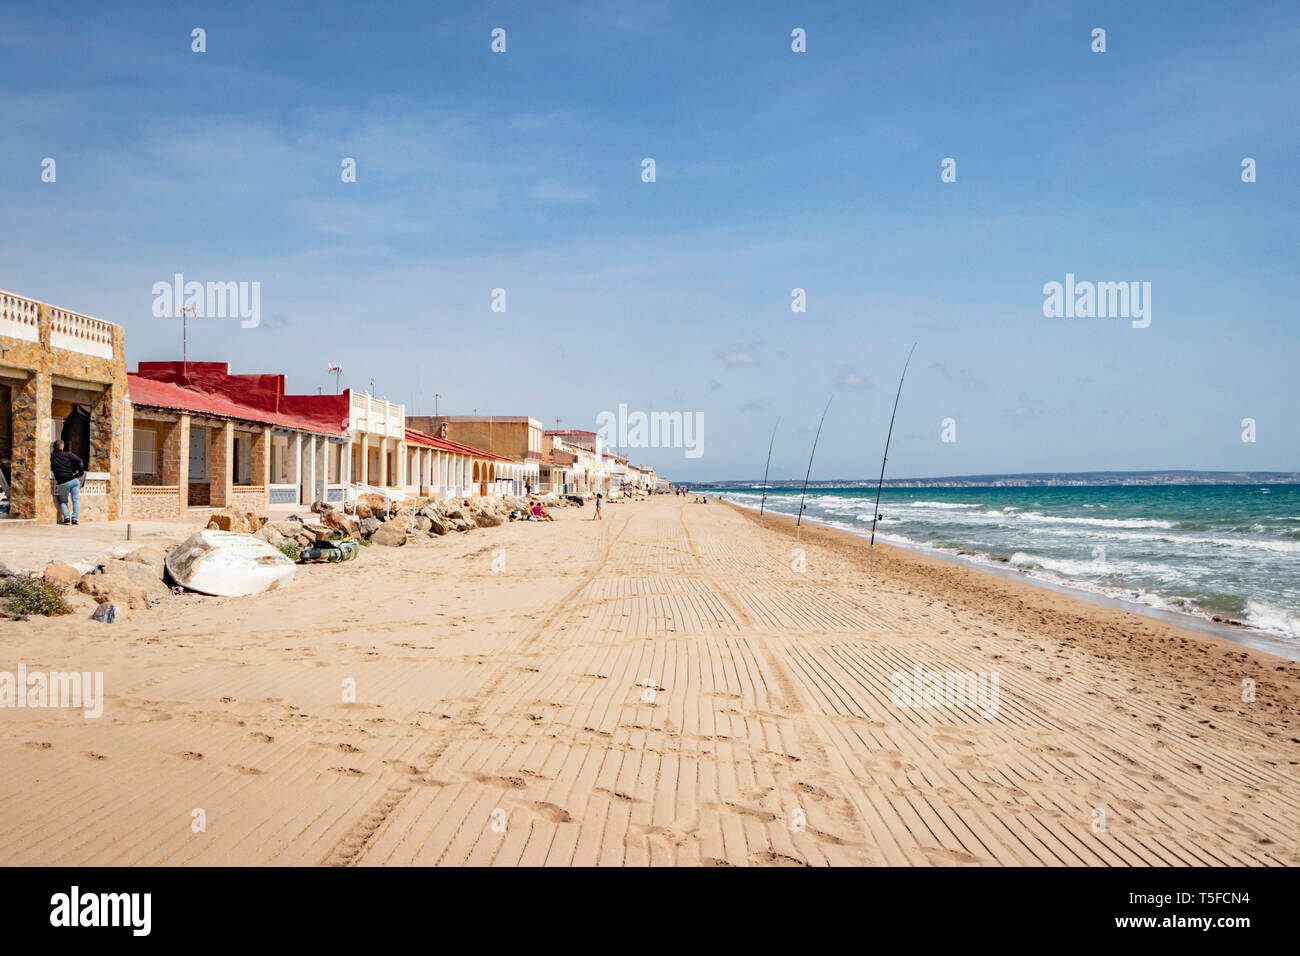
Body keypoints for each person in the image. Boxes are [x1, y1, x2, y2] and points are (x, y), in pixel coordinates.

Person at [50, 439, 85, 525]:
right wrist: (79, 473)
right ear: (62, 446)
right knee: (76, 500)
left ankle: (66, 519)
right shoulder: (68, 454)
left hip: (63, 482)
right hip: (73, 480)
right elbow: (79, 461)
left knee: (63, 501)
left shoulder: (52, 456)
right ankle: (74, 519)